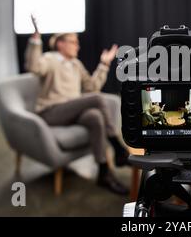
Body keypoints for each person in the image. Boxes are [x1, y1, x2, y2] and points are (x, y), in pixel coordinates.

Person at [25, 15, 130, 195]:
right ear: (60, 44)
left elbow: (92, 86)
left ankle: (104, 173)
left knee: (95, 117)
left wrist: (105, 63)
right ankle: (118, 146)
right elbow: (33, 67)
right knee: (97, 99)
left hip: (71, 111)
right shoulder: (50, 59)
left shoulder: (76, 64)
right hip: (50, 112)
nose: (78, 46)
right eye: (74, 42)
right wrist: (35, 39)